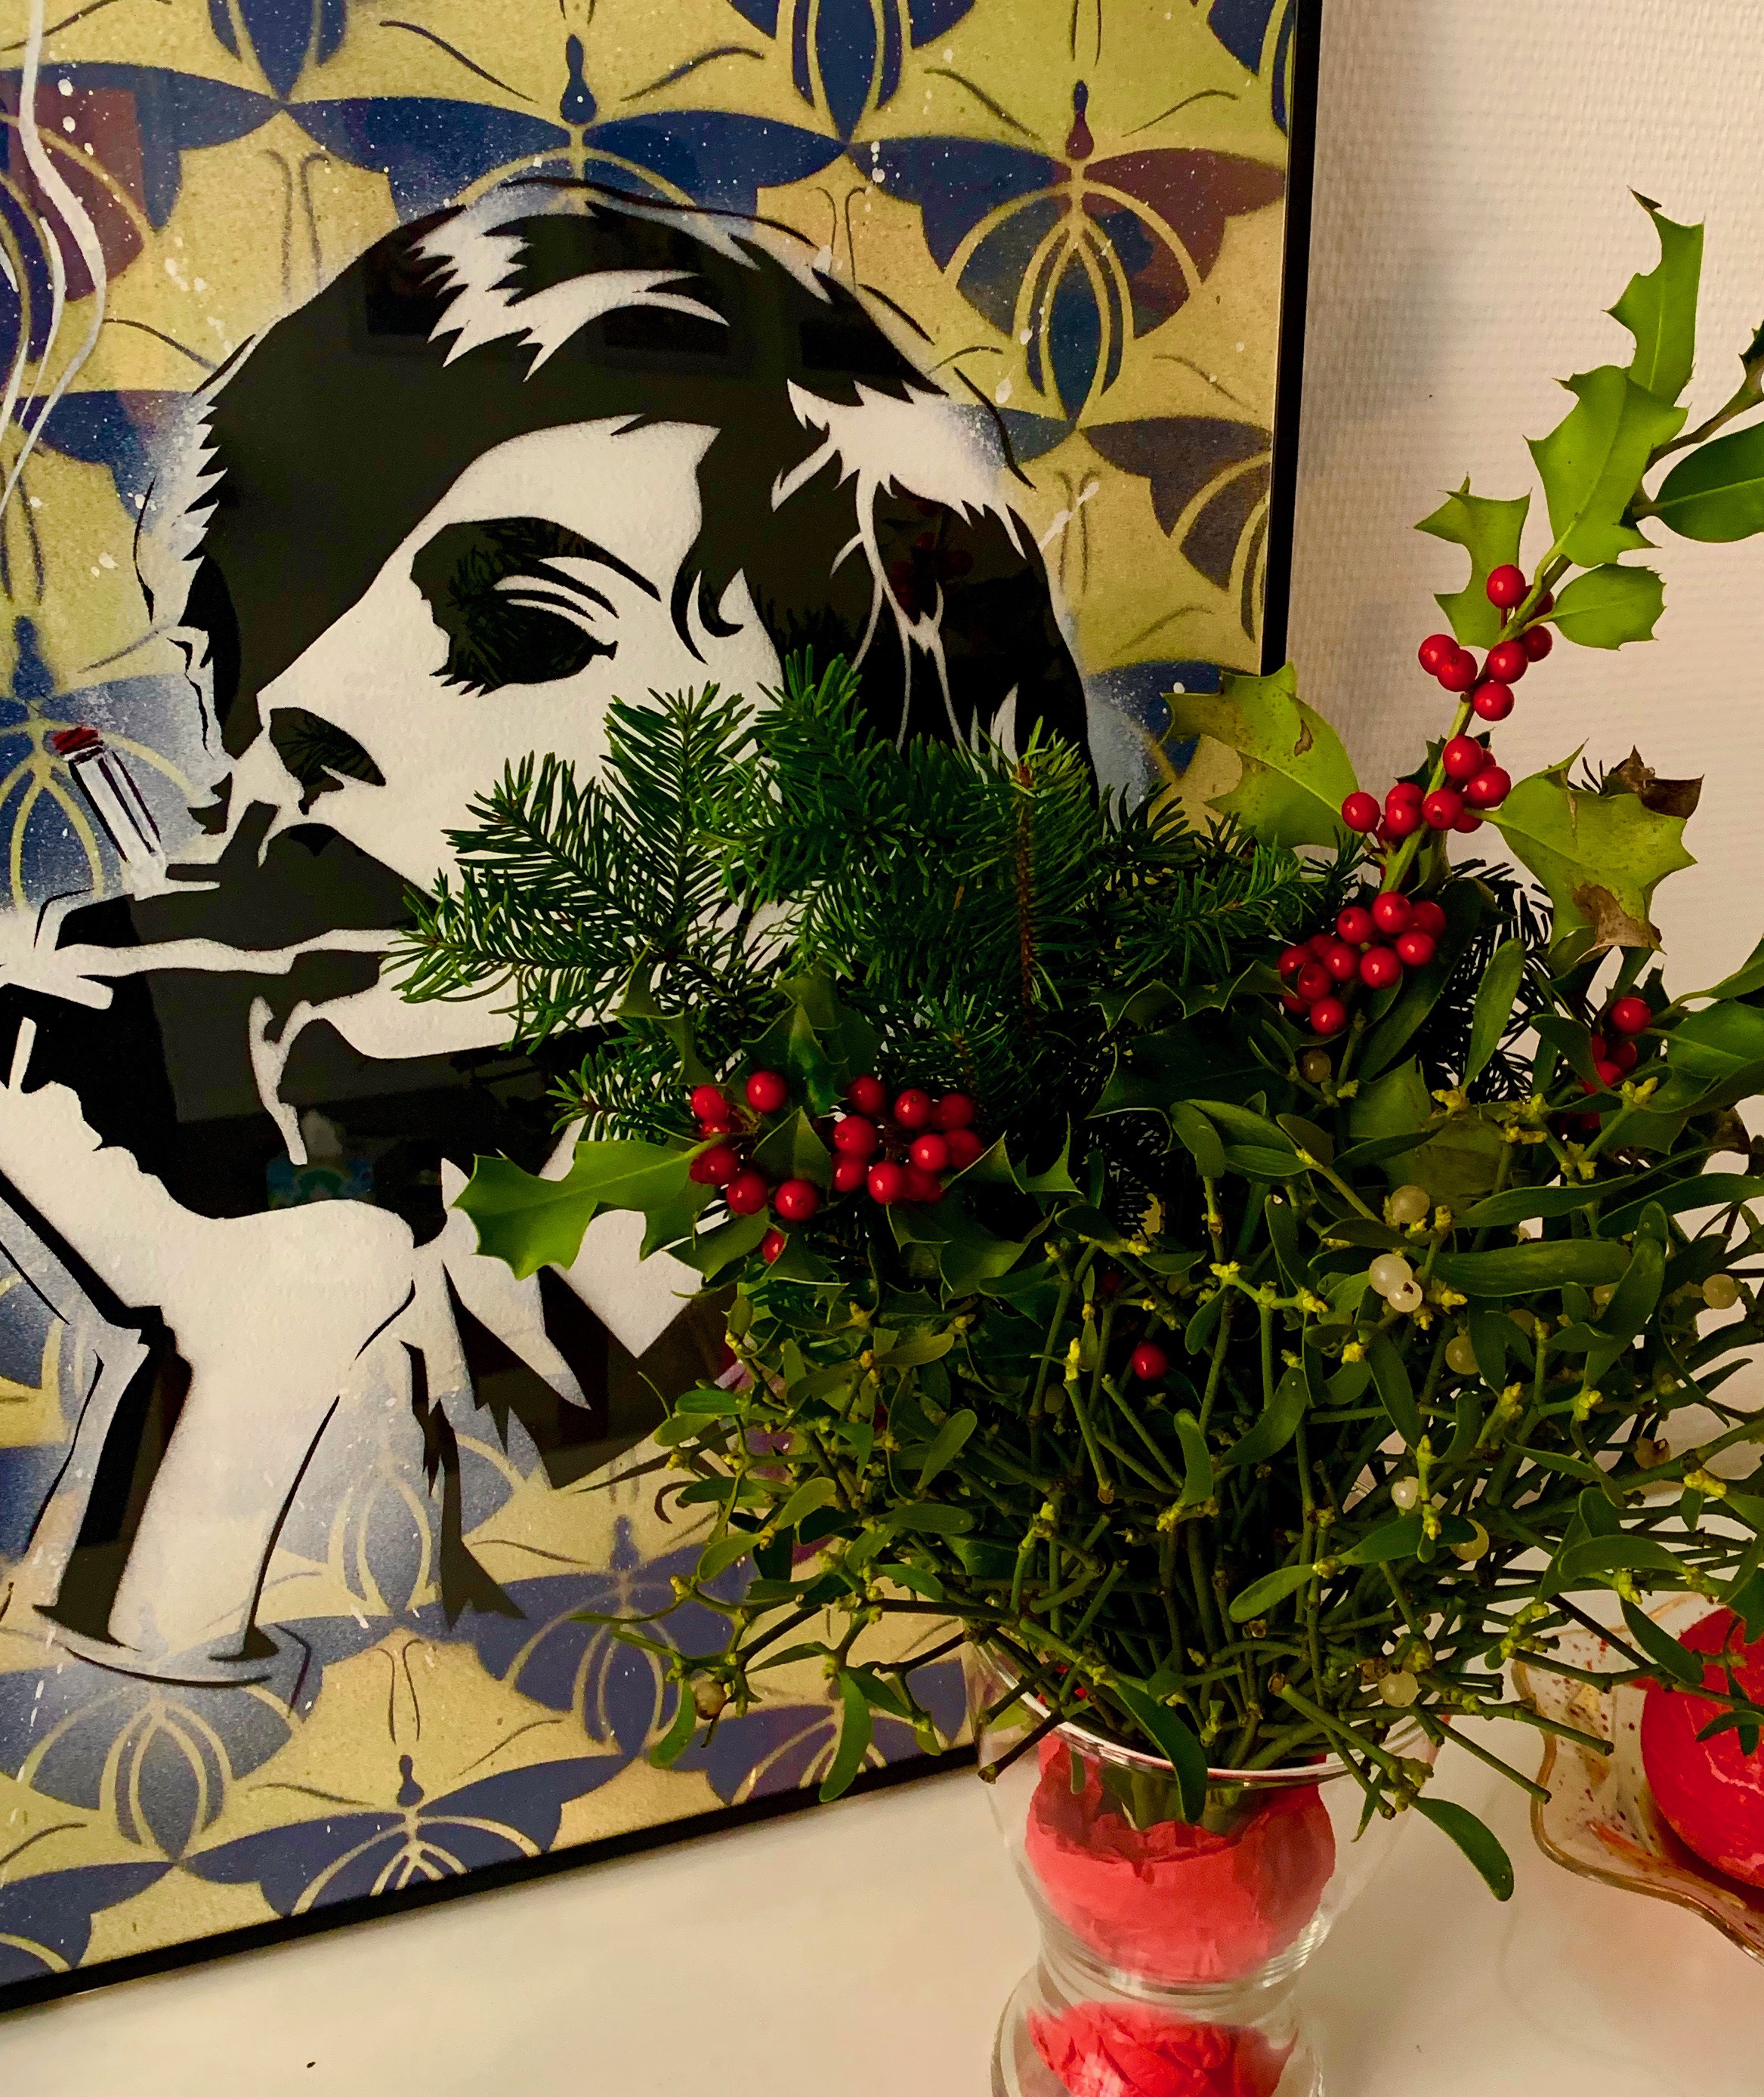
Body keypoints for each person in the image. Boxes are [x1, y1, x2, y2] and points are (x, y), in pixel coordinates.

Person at [0, 181, 1087, 1687]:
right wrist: (234, 1352)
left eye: (524, 626)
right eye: (289, 626)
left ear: (860, 799)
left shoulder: (931, 1324)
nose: (298, 707)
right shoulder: (301, 1201)